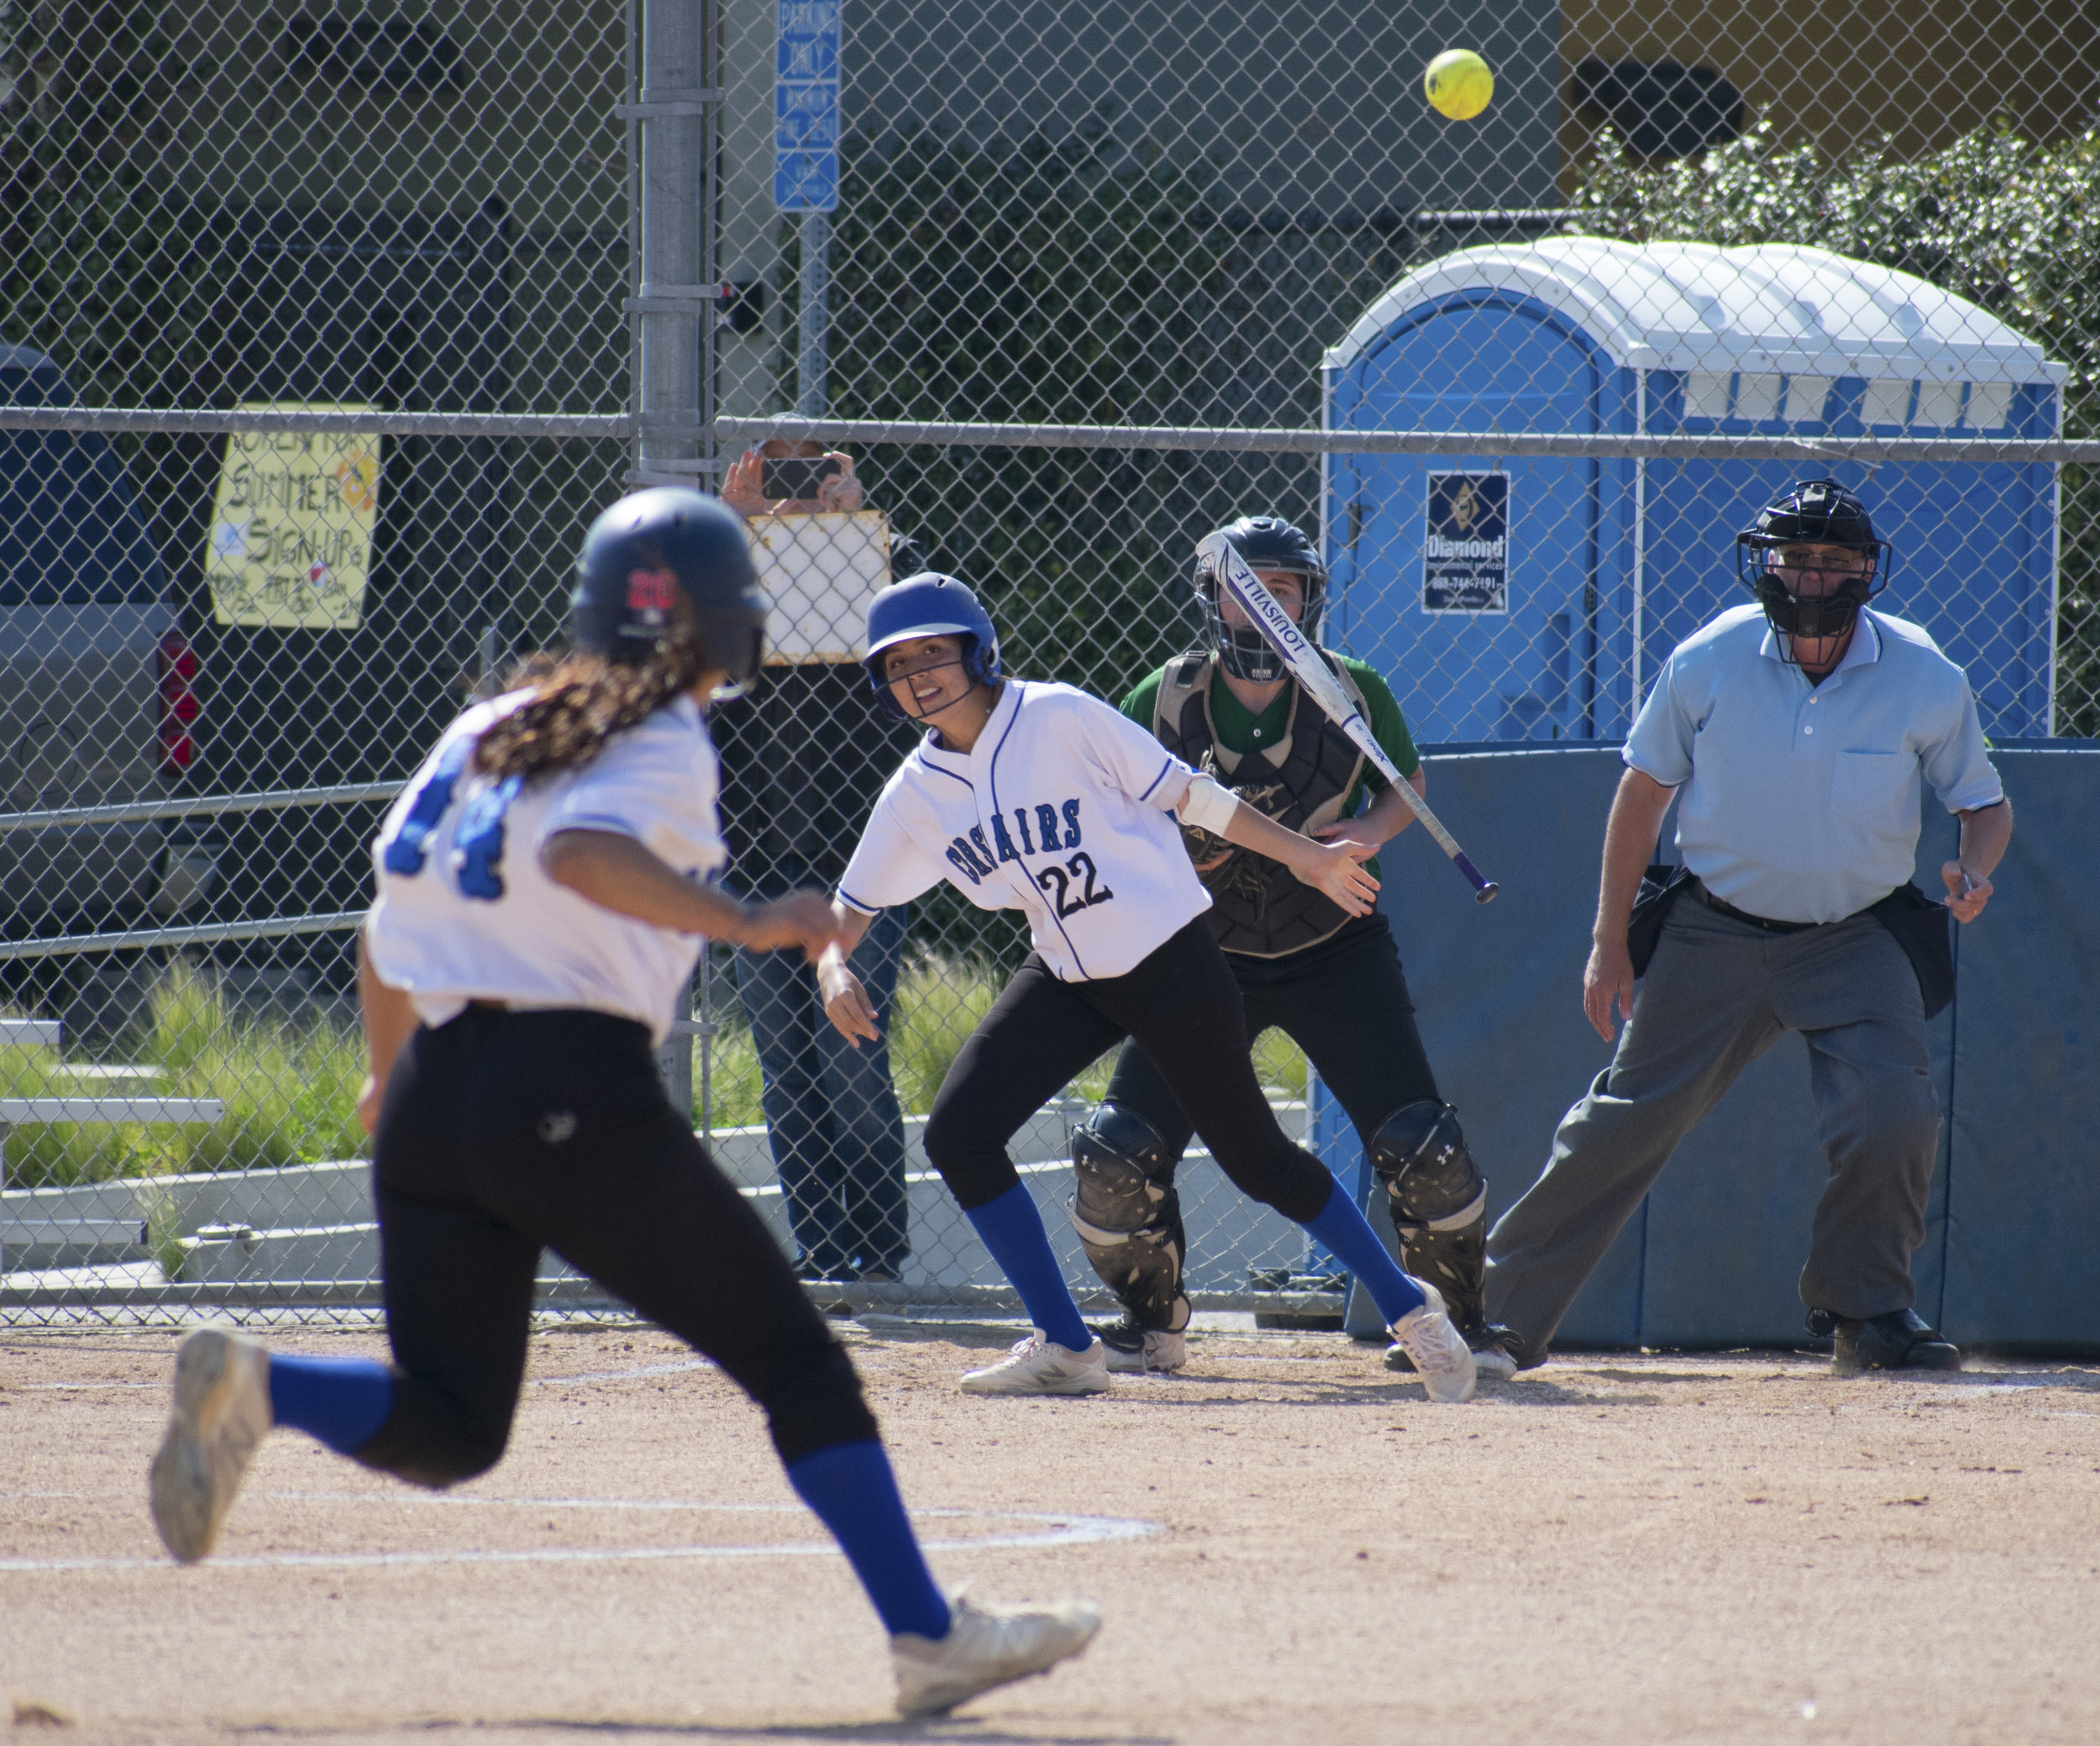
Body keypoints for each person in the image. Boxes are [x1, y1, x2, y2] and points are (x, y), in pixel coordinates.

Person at [144, 489, 1099, 1718]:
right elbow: (580, 856)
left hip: (439, 1088)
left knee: (455, 1421)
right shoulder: (661, 734)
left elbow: (385, 932)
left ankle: (263, 1385)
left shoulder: (492, 723)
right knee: (799, 1366)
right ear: (717, 625)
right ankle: (929, 1637)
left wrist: (390, 1076)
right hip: (565, 1091)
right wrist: (754, 920)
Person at [816, 571, 1480, 1403]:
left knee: (1256, 1159)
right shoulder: (917, 790)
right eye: (897, 661)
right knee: (959, 1132)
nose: (917, 673)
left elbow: (1194, 796)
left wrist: (1306, 856)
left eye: (933, 652)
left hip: (1169, 959)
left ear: (977, 650)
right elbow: (851, 905)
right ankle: (1066, 1344)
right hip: (1066, 974)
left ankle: (1407, 1305)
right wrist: (833, 964)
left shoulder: (1058, 715)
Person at [1483, 479, 2013, 1376]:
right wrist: (1608, 939)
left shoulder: (1923, 672)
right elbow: (1641, 793)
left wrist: (1974, 863)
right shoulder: (1709, 657)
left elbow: (1983, 803)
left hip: (1856, 933)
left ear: (1865, 571)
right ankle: (1492, 1316)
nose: (1810, 576)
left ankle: (1868, 1311)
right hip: (1713, 930)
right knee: (1620, 1122)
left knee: (1896, 1115)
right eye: (1793, 558)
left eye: (1833, 560)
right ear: (1763, 565)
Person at [1074, 516, 1515, 1379]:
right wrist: (1168, 849)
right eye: (1249, 586)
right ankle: (1151, 1322)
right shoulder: (1164, 695)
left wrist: (1366, 828)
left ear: (1309, 600)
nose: (1268, 603)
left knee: (1424, 1149)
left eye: (1284, 588)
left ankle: (1450, 1321)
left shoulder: (1351, 688)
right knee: (1116, 1156)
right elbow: (1109, 803)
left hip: (1332, 950)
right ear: (1213, 596)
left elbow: (1405, 784)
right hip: (1198, 958)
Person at [719, 439, 912, 1283]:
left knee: (851, 1062)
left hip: (862, 862)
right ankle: (822, 1250)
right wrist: (732, 533)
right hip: (760, 861)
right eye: (777, 488)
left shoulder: (872, 588)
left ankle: (879, 1254)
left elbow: (924, 623)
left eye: (811, 483)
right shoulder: (737, 600)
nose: (791, 508)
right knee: (787, 1074)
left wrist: (866, 534)